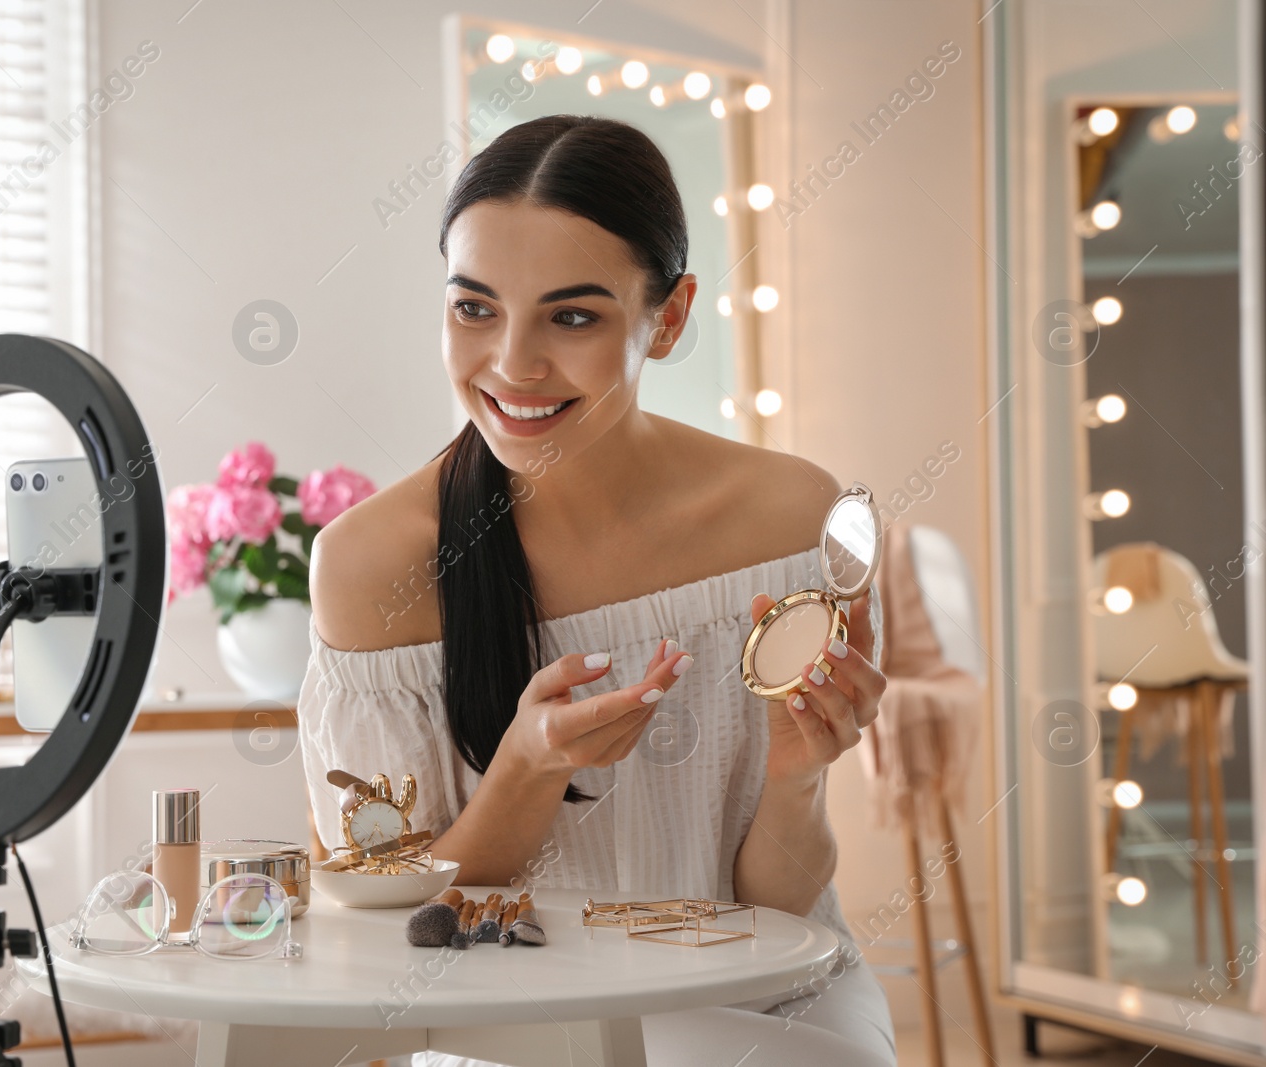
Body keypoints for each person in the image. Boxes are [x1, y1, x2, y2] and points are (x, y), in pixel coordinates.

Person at [299, 114, 896, 1067]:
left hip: (764, 991)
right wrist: (526, 771)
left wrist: (795, 778)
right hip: (510, 1016)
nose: (513, 364)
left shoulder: (790, 517)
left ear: (668, 316)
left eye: (572, 315)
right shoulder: (376, 564)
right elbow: (383, 935)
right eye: (474, 308)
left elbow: (777, 911)